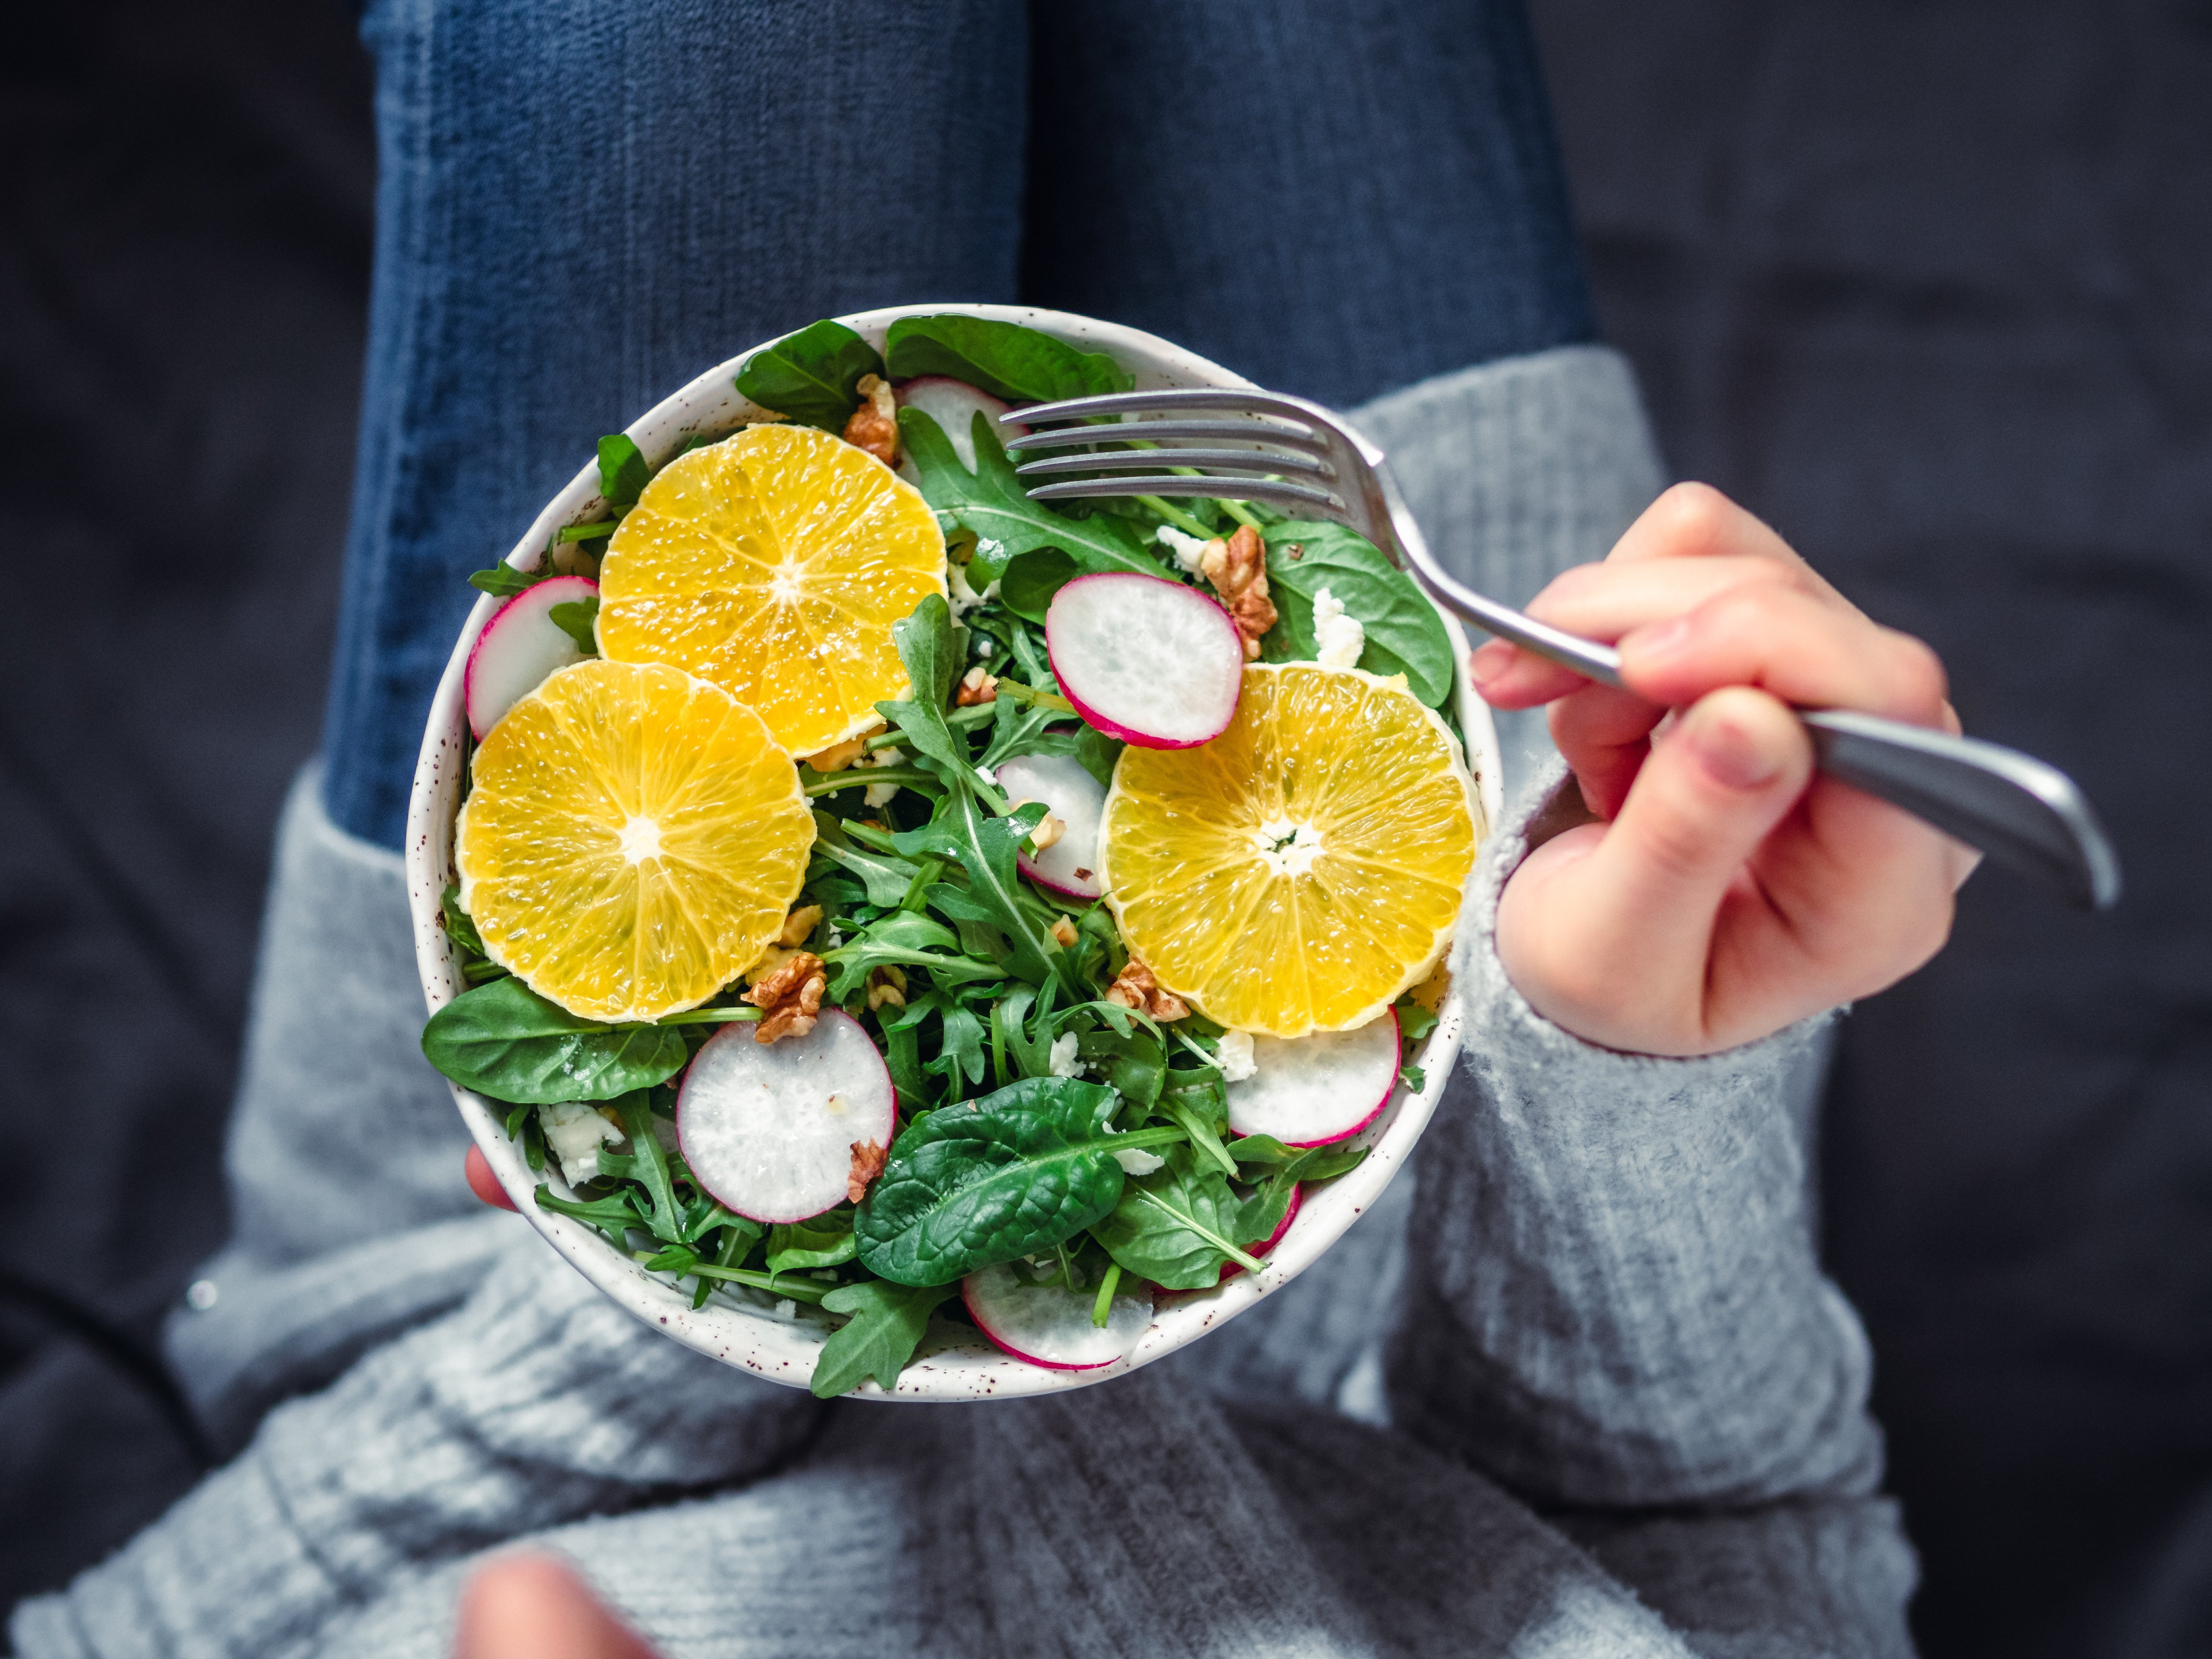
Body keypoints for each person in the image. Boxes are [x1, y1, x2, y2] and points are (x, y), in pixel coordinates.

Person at [7, 4, 1965, 1655]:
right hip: (1398, 877)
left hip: (525, 1142)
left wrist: (670, 1281)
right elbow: (1745, 1551)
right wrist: (1621, 1069)